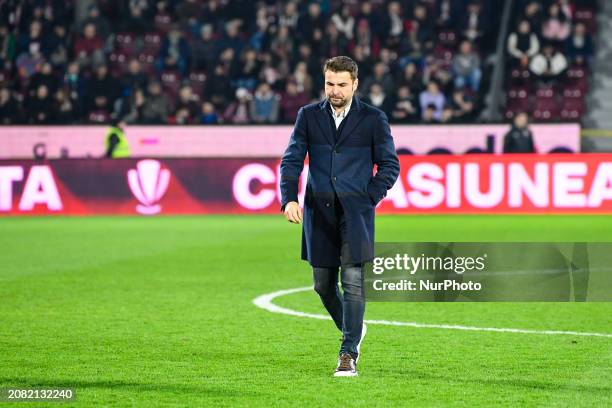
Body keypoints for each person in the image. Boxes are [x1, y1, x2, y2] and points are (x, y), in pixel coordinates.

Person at [279, 56, 400, 377]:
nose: (335, 90)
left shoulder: (374, 119)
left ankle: (348, 352)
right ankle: (354, 328)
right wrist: (289, 198)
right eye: (330, 84)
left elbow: (390, 166)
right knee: (322, 286)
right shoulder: (307, 116)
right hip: (318, 212)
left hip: (355, 214)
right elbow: (291, 160)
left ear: (355, 84)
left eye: (342, 85)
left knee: (354, 282)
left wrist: (368, 198)